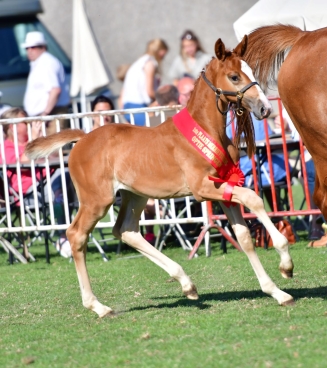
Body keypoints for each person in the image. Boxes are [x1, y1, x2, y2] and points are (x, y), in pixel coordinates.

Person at [0, 107, 73, 258]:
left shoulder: (31, 140)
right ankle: (64, 234)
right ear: (11, 127)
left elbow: (55, 156)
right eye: (23, 121)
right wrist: (34, 140)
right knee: (59, 188)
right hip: (27, 193)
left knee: (65, 176)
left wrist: (42, 141)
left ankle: (70, 231)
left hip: (49, 183)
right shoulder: (5, 147)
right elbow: (23, 161)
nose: (29, 123)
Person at [22, 31, 70, 135]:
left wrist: (45, 114)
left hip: (52, 115)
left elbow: (55, 90)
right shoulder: (40, 62)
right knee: (48, 148)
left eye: (33, 47)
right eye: (27, 48)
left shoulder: (47, 63)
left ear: (43, 47)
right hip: (46, 116)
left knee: (52, 149)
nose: (29, 50)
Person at [122, 38, 168, 126]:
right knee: (153, 129)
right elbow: (150, 91)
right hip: (138, 106)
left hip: (128, 106)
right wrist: (164, 99)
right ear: (161, 51)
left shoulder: (140, 62)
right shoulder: (150, 63)